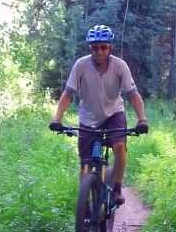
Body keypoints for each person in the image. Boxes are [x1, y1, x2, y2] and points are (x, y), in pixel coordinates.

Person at [49, 25, 148, 206]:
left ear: (110, 46)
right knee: (85, 163)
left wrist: (142, 119)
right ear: (90, 48)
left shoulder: (120, 66)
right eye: (95, 48)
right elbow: (67, 94)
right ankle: (84, 205)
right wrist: (57, 119)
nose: (99, 52)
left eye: (103, 47)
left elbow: (133, 95)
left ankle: (117, 189)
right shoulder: (81, 65)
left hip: (113, 114)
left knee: (119, 146)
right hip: (88, 117)